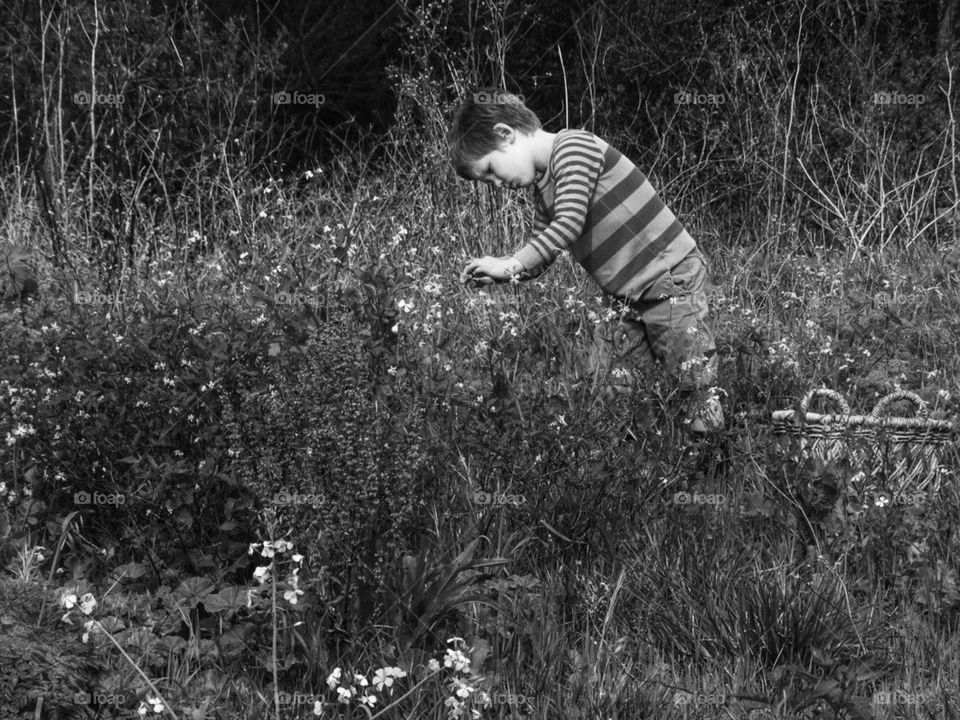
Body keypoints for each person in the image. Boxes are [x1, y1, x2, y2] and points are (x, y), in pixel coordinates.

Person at [448, 88, 723, 434]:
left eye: (490, 170)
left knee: (691, 382)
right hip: (625, 299)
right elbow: (543, 250)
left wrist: (511, 264)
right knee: (616, 387)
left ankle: (712, 464)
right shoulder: (543, 189)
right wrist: (502, 270)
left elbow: (568, 224)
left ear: (506, 134)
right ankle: (648, 468)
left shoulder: (573, 148)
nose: (497, 184)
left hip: (668, 275)